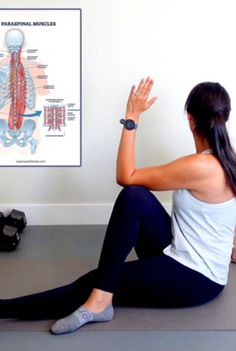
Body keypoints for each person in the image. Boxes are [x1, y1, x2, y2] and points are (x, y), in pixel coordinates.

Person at [0, 78, 236, 335]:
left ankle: (90, 301)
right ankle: (102, 294)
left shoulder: (199, 166)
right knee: (135, 197)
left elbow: (126, 175)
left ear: (190, 119)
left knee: (96, 281)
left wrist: (132, 117)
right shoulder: (227, 160)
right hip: (188, 256)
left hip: (195, 279)